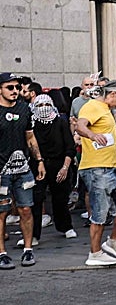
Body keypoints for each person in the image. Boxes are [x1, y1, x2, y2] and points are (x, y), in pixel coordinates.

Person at [75, 80, 116, 266]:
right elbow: (80, 126)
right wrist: (93, 136)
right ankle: (95, 252)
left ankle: (113, 241)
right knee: (100, 214)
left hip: (113, 166)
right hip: (97, 168)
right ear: (113, 94)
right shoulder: (93, 106)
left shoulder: (106, 109)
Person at [0, 73, 45, 269]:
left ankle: (28, 251)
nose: (15, 91)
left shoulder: (25, 109)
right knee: (1, 213)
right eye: (10, 87)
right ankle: (1, 252)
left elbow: (30, 137)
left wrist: (39, 160)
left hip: (23, 168)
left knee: (26, 209)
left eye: (17, 87)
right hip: (1, 171)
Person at [29, 94, 75, 245]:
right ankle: (34, 235)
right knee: (36, 199)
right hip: (38, 165)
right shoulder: (32, 124)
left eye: (46, 105)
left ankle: (65, 226)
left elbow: (69, 146)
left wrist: (65, 167)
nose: (43, 108)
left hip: (58, 163)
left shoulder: (60, 122)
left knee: (60, 197)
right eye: (40, 106)